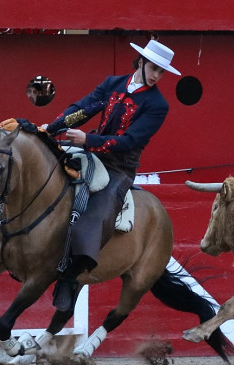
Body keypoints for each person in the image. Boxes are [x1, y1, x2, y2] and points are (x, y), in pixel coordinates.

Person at [43, 39, 181, 311]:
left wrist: (87, 139)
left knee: (102, 209)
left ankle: (73, 275)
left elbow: (130, 140)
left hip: (119, 167)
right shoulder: (112, 84)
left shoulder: (157, 105)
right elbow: (83, 109)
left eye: (161, 72)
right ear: (141, 62)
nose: (156, 76)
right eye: (154, 68)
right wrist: (52, 127)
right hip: (88, 150)